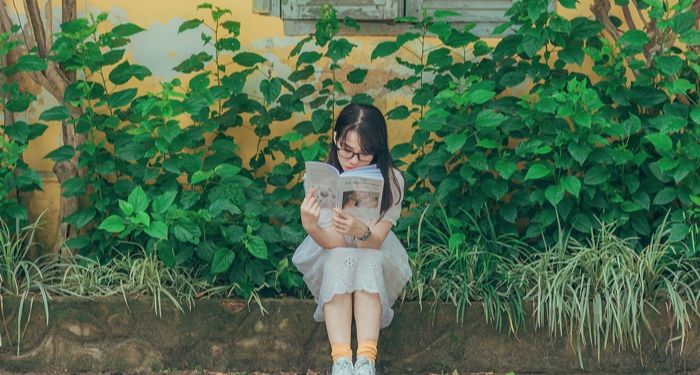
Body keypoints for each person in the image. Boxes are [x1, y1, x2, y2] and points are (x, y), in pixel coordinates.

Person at [293, 103, 411, 375]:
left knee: (367, 257)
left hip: (373, 249)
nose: (353, 160)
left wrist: (360, 229)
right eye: (346, 149)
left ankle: (366, 360)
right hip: (331, 247)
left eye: (364, 154)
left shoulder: (392, 181)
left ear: (378, 150)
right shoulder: (321, 178)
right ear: (335, 139)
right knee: (338, 256)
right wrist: (311, 226)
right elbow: (332, 242)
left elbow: (377, 241)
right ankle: (342, 361)